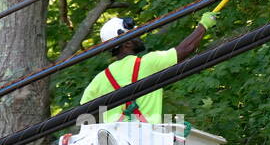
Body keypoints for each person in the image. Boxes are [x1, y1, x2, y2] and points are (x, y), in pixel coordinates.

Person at [79, 11, 216, 124]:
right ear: (126, 43)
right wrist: (204, 25)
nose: (139, 36)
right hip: (147, 141)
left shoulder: (100, 80)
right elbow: (185, 49)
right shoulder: (149, 63)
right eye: (134, 34)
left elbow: (83, 115)